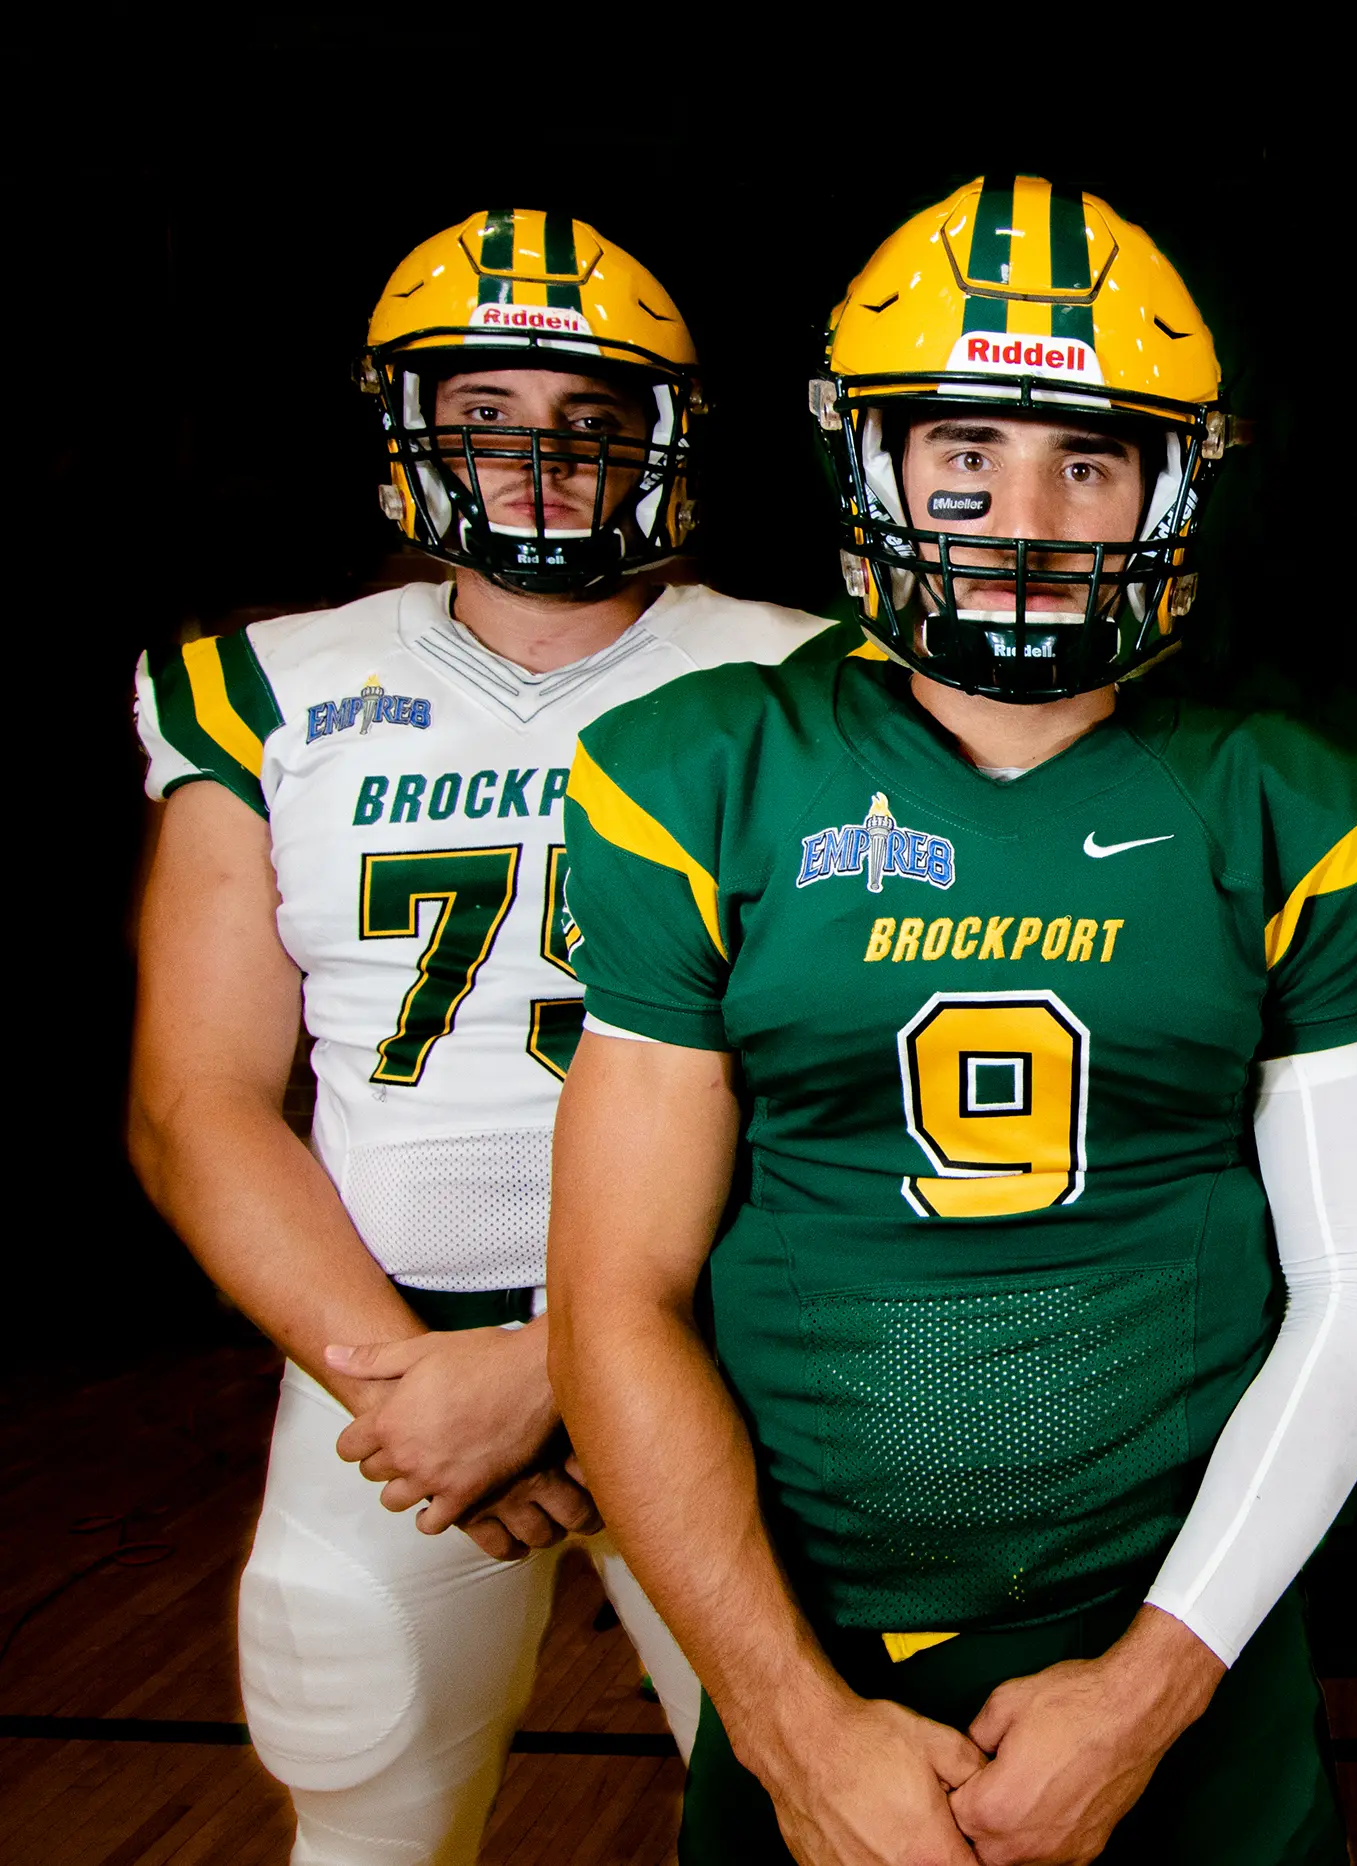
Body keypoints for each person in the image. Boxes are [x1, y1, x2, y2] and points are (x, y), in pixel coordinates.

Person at [543, 176, 1357, 1866]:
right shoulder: (702, 773)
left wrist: (1151, 1687)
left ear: (1172, 488)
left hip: (1180, 1607)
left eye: (1087, 460)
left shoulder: (1289, 802)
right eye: (967, 451)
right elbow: (613, 1294)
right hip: (806, 1619)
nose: (1024, 515)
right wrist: (794, 1732)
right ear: (874, 465)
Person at [128, 208, 831, 1864]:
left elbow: (843, 1076)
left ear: (665, 436)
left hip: (729, 1346)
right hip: (387, 1368)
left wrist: (557, 1368)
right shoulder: (267, 689)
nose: (539, 460)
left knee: (820, 1812)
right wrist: (410, 1385)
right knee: (363, 1800)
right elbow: (194, 1100)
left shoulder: (809, 678)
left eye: (590, 419)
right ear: (407, 428)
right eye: (486, 416)